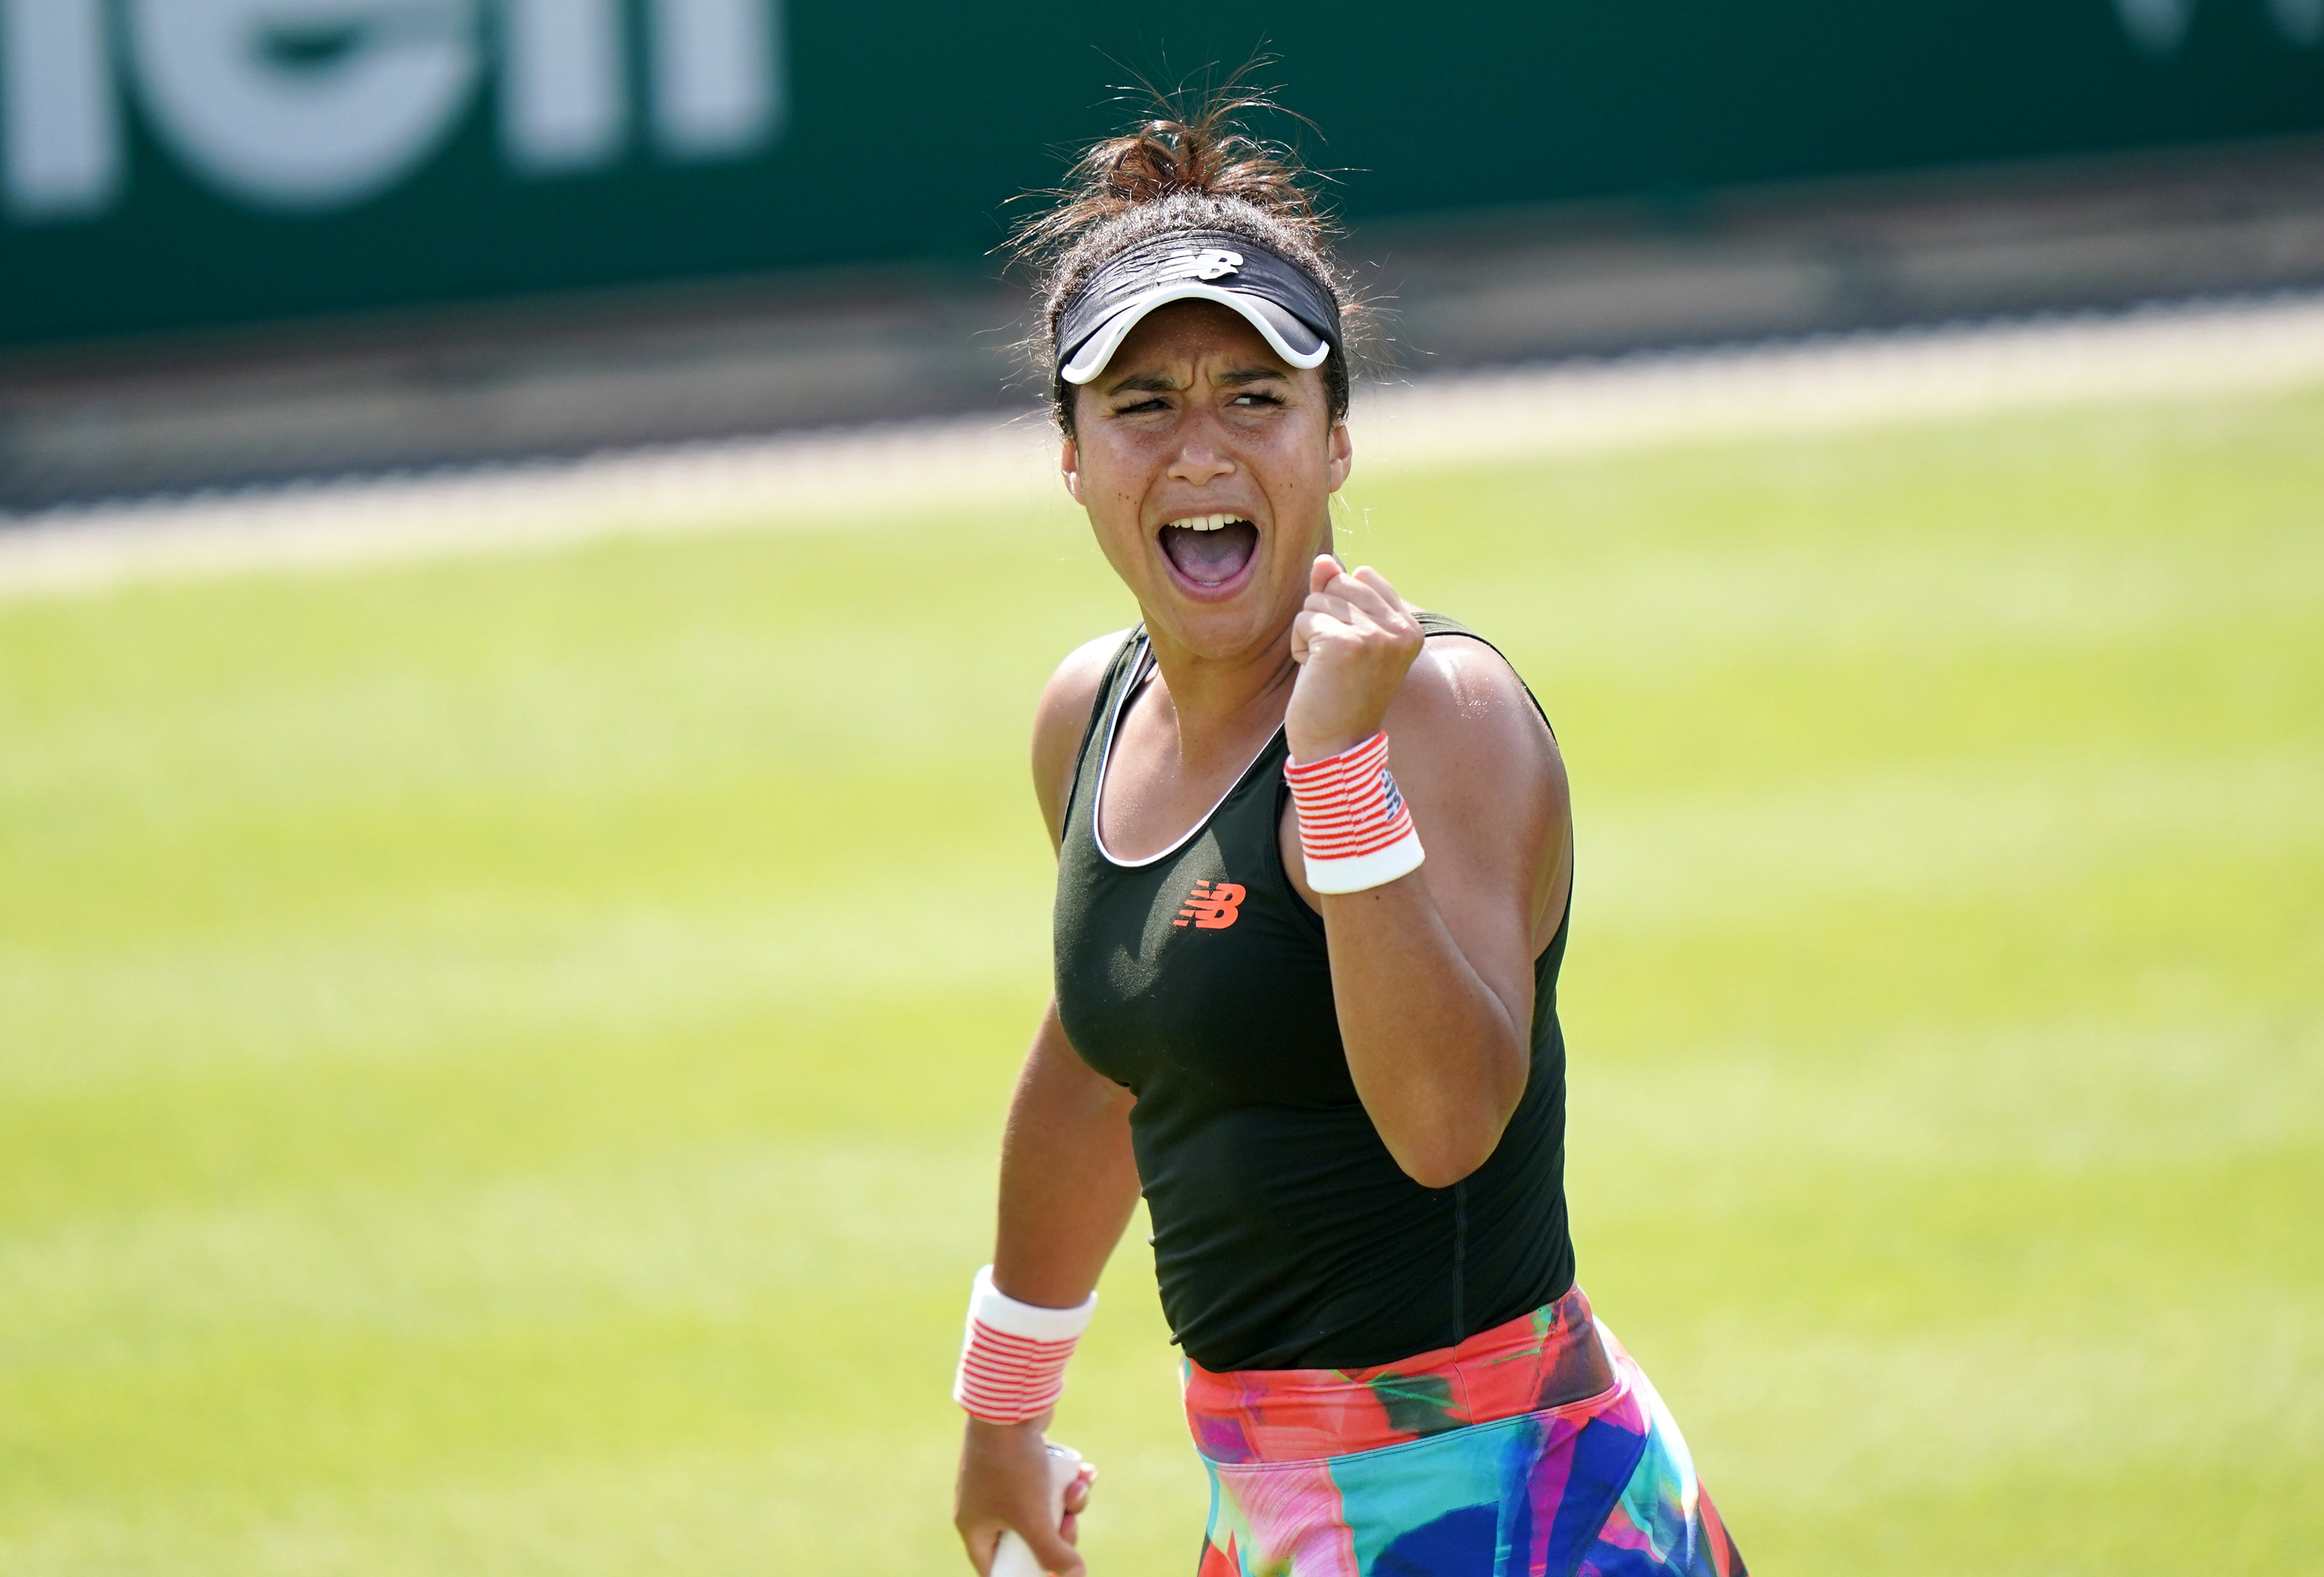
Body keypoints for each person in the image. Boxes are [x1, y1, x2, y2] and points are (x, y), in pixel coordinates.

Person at [950, 92, 1747, 1577]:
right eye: (1143, 405)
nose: (1200, 451)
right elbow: (1109, 1052)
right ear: (1072, 458)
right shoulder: (1092, 715)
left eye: (1257, 398)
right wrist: (1005, 1402)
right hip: (1277, 1511)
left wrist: (1340, 780)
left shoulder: (1435, 710)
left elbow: (1447, 1130)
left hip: (1512, 1510)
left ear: (1333, 447)